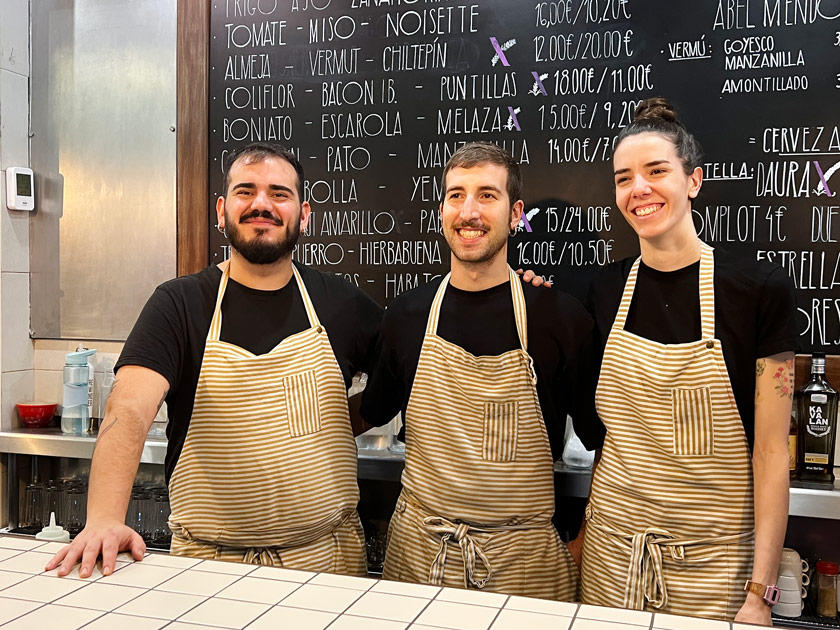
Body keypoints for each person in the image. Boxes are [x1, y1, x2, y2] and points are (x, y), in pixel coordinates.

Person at [47, 142, 383, 577]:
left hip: (328, 563)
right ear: (222, 210)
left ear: (304, 214)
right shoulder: (180, 303)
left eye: (279, 194)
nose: (262, 204)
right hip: (209, 566)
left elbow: (402, 380)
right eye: (246, 191)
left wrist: (340, 416)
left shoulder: (343, 305)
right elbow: (129, 408)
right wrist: (105, 519)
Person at [579, 98, 795, 625]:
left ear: (693, 181)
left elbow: (769, 452)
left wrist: (759, 594)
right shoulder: (601, 290)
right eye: (623, 177)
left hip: (716, 570)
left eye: (657, 171)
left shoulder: (759, 291)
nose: (639, 189)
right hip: (612, 560)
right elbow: (608, 434)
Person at [360, 142, 601, 599]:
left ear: (516, 213)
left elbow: (609, 444)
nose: (469, 211)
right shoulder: (407, 315)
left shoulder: (559, 318)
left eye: (487, 195)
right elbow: (370, 412)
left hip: (525, 567)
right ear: (442, 210)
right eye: (456, 195)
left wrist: (586, 543)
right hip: (417, 561)